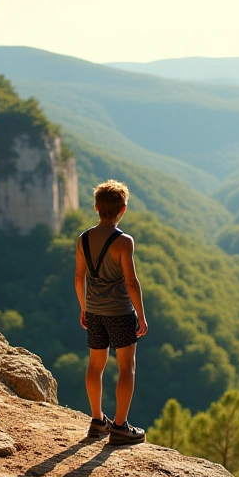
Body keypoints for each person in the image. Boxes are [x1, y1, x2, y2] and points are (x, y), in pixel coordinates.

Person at [74, 180, 149, 444]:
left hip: (93, 310)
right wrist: (141, 315)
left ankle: (97, 421)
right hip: (120, 312)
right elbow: (131, 282)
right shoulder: (124, 242)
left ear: (96, 207)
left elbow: (78, 277)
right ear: (123, 209)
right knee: (126, 366)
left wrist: (84, 308)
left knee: (95, 365)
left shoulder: (83, 239)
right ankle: (120, 426)